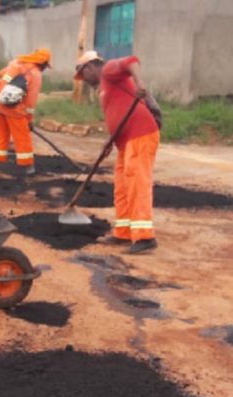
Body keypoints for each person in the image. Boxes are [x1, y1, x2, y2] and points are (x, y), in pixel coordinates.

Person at [74, 50, 160, 254]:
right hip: (124, 141)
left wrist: (140, 83)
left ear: (89, 67)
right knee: (122, 185)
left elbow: (132, 61)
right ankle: (123, 232)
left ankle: (145, 237)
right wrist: (109, 141)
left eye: (82, 75)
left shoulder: (109, 70)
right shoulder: (103, 87)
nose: (83, 80)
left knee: (137, 182)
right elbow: (117, 113)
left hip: (141, 134)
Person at [0, 48, 52, 176]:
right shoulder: (35, 74)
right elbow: (30, 101)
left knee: (1, 138)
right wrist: (29, 120)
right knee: (22, 139)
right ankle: (30, 170)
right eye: (46, 65)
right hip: (15, 111)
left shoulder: (15, 63)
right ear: (43, 63)